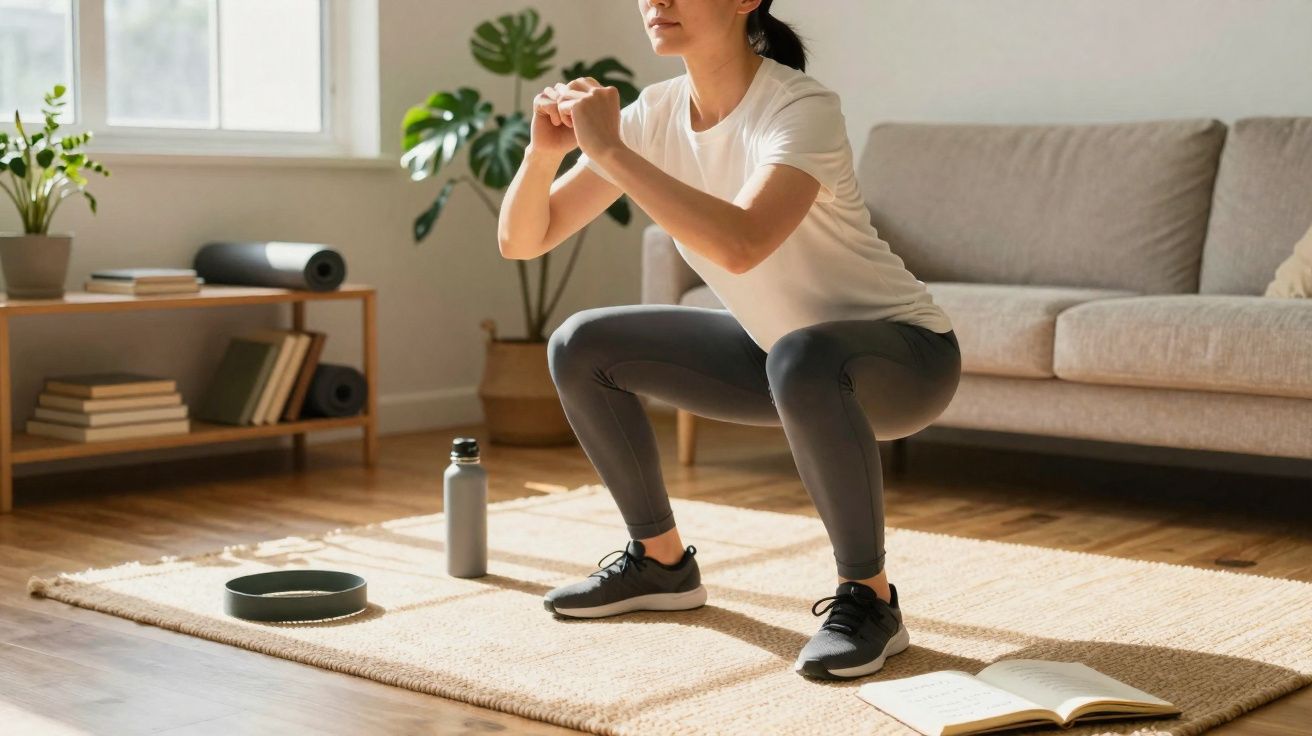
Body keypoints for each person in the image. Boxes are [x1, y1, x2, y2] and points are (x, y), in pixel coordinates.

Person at [497, 0, 960, 681]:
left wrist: (613, 150)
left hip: (905, 357)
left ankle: (872, 599)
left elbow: (742, 244)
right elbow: (524, 239)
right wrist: (544, 154)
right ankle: (660, 562)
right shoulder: (655, 114)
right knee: (580, 345)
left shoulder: (801, 107)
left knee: (806, 357)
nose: (656, 0)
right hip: (777, 355)